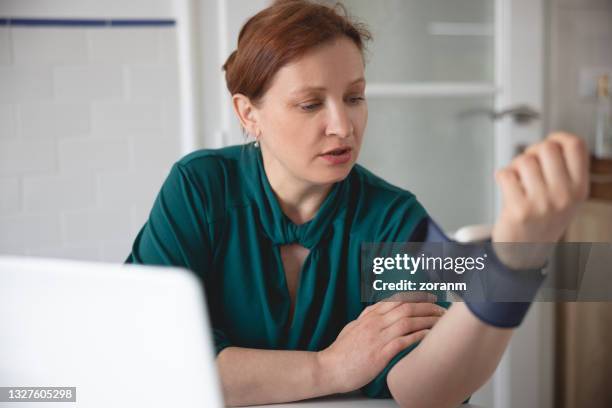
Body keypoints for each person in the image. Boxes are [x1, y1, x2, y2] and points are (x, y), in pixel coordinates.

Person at [126, 1, 589, 406]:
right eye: (310, 104)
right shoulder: (200, 189)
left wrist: (509, 270)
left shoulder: (390, 218)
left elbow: (422, 388)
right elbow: (152, 354)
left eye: (354, 97)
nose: (343, 127)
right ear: (249, 113)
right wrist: (330, 368)